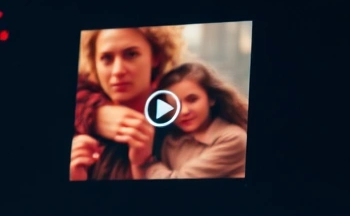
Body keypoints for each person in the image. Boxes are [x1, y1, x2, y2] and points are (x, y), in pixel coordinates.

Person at [71, 26, 183, 181]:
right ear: (94, 63)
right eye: (106, 58)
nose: (118, 70)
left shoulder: (184, 125)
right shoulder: (82, 127)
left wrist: (144, 165)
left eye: (131, 54)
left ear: (155, 57)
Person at [128, 62, 248, 179]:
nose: (184, 111)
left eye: (192, 100)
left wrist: (149, 164)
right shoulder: (170, 141)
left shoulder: (234, 139)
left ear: (211, 98)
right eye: (174, 105)